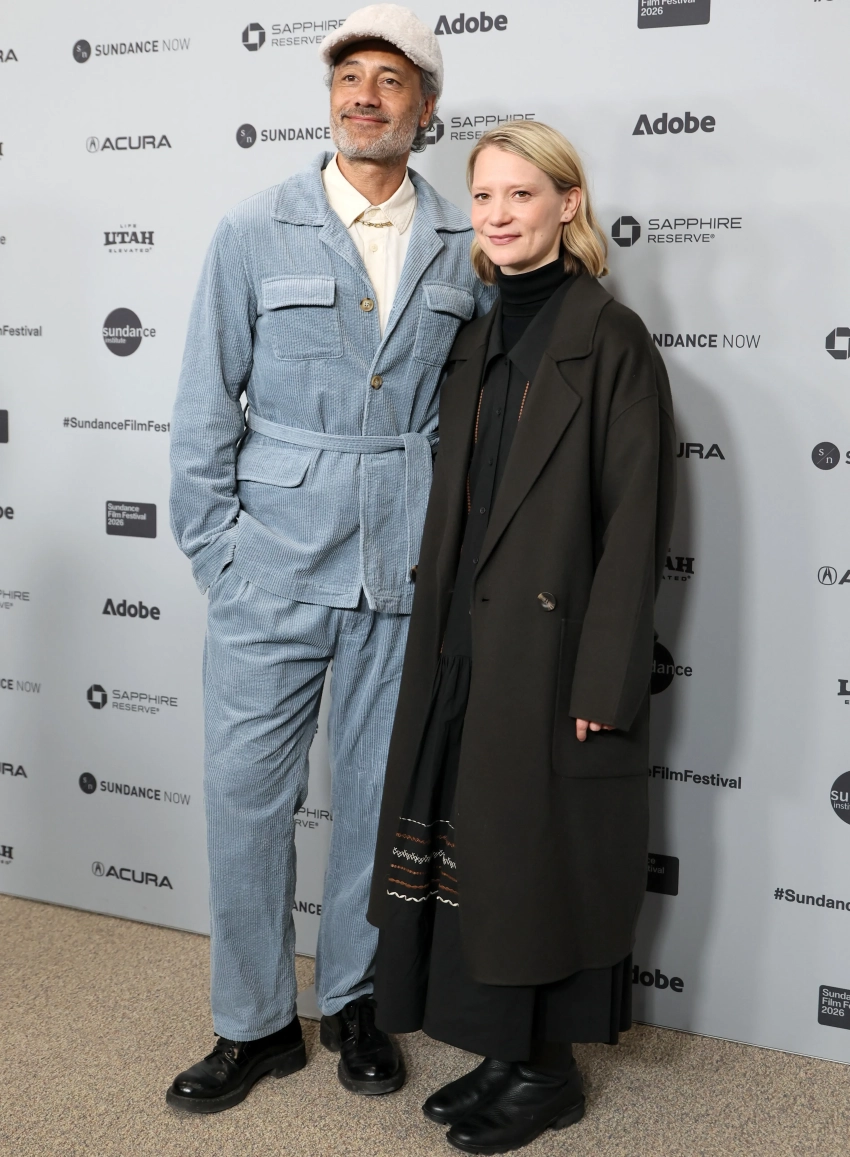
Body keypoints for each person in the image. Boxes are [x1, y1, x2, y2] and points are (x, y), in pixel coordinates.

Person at [166, 3, 494, 1114]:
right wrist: (220, 558)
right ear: (330, 97)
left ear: (425, 109)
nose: (365, 95)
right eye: (349, 76)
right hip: (267, 567)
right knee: (244, 801)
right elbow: (204, 406)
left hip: (402, 571)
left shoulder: (464, 239)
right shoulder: (252, 227)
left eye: (389, 80)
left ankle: (355, 999)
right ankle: (254, 1021)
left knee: (375, 801)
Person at [368, 120, 677, 1154]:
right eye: (484, 197)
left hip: (550, 652)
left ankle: (548, 1072)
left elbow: (637, 523)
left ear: (567, 205)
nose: (498, 216)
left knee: (538, 855)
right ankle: (505, 1050)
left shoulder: (611, 338)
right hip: (461, 638)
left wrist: (606, 676)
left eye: (521, 195)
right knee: (484, 851)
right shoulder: (477, 332)